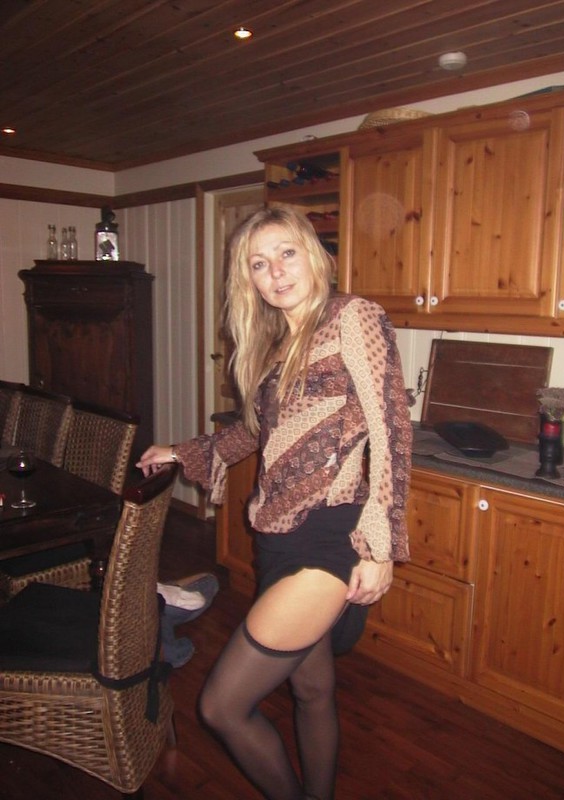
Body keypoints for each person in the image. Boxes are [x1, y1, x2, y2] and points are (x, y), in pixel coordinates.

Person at [137, 205, 412, 800]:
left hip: (329, 537)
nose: (276, 272)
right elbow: (256, 433)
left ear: (313, 254)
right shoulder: (274, 346)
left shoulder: (352, 316)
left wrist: (380, 546)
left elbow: (391, 427)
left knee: (222, 706)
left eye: (286, 253)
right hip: (277, 539)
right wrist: (182, 450)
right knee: (312, 691)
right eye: (259, 264)